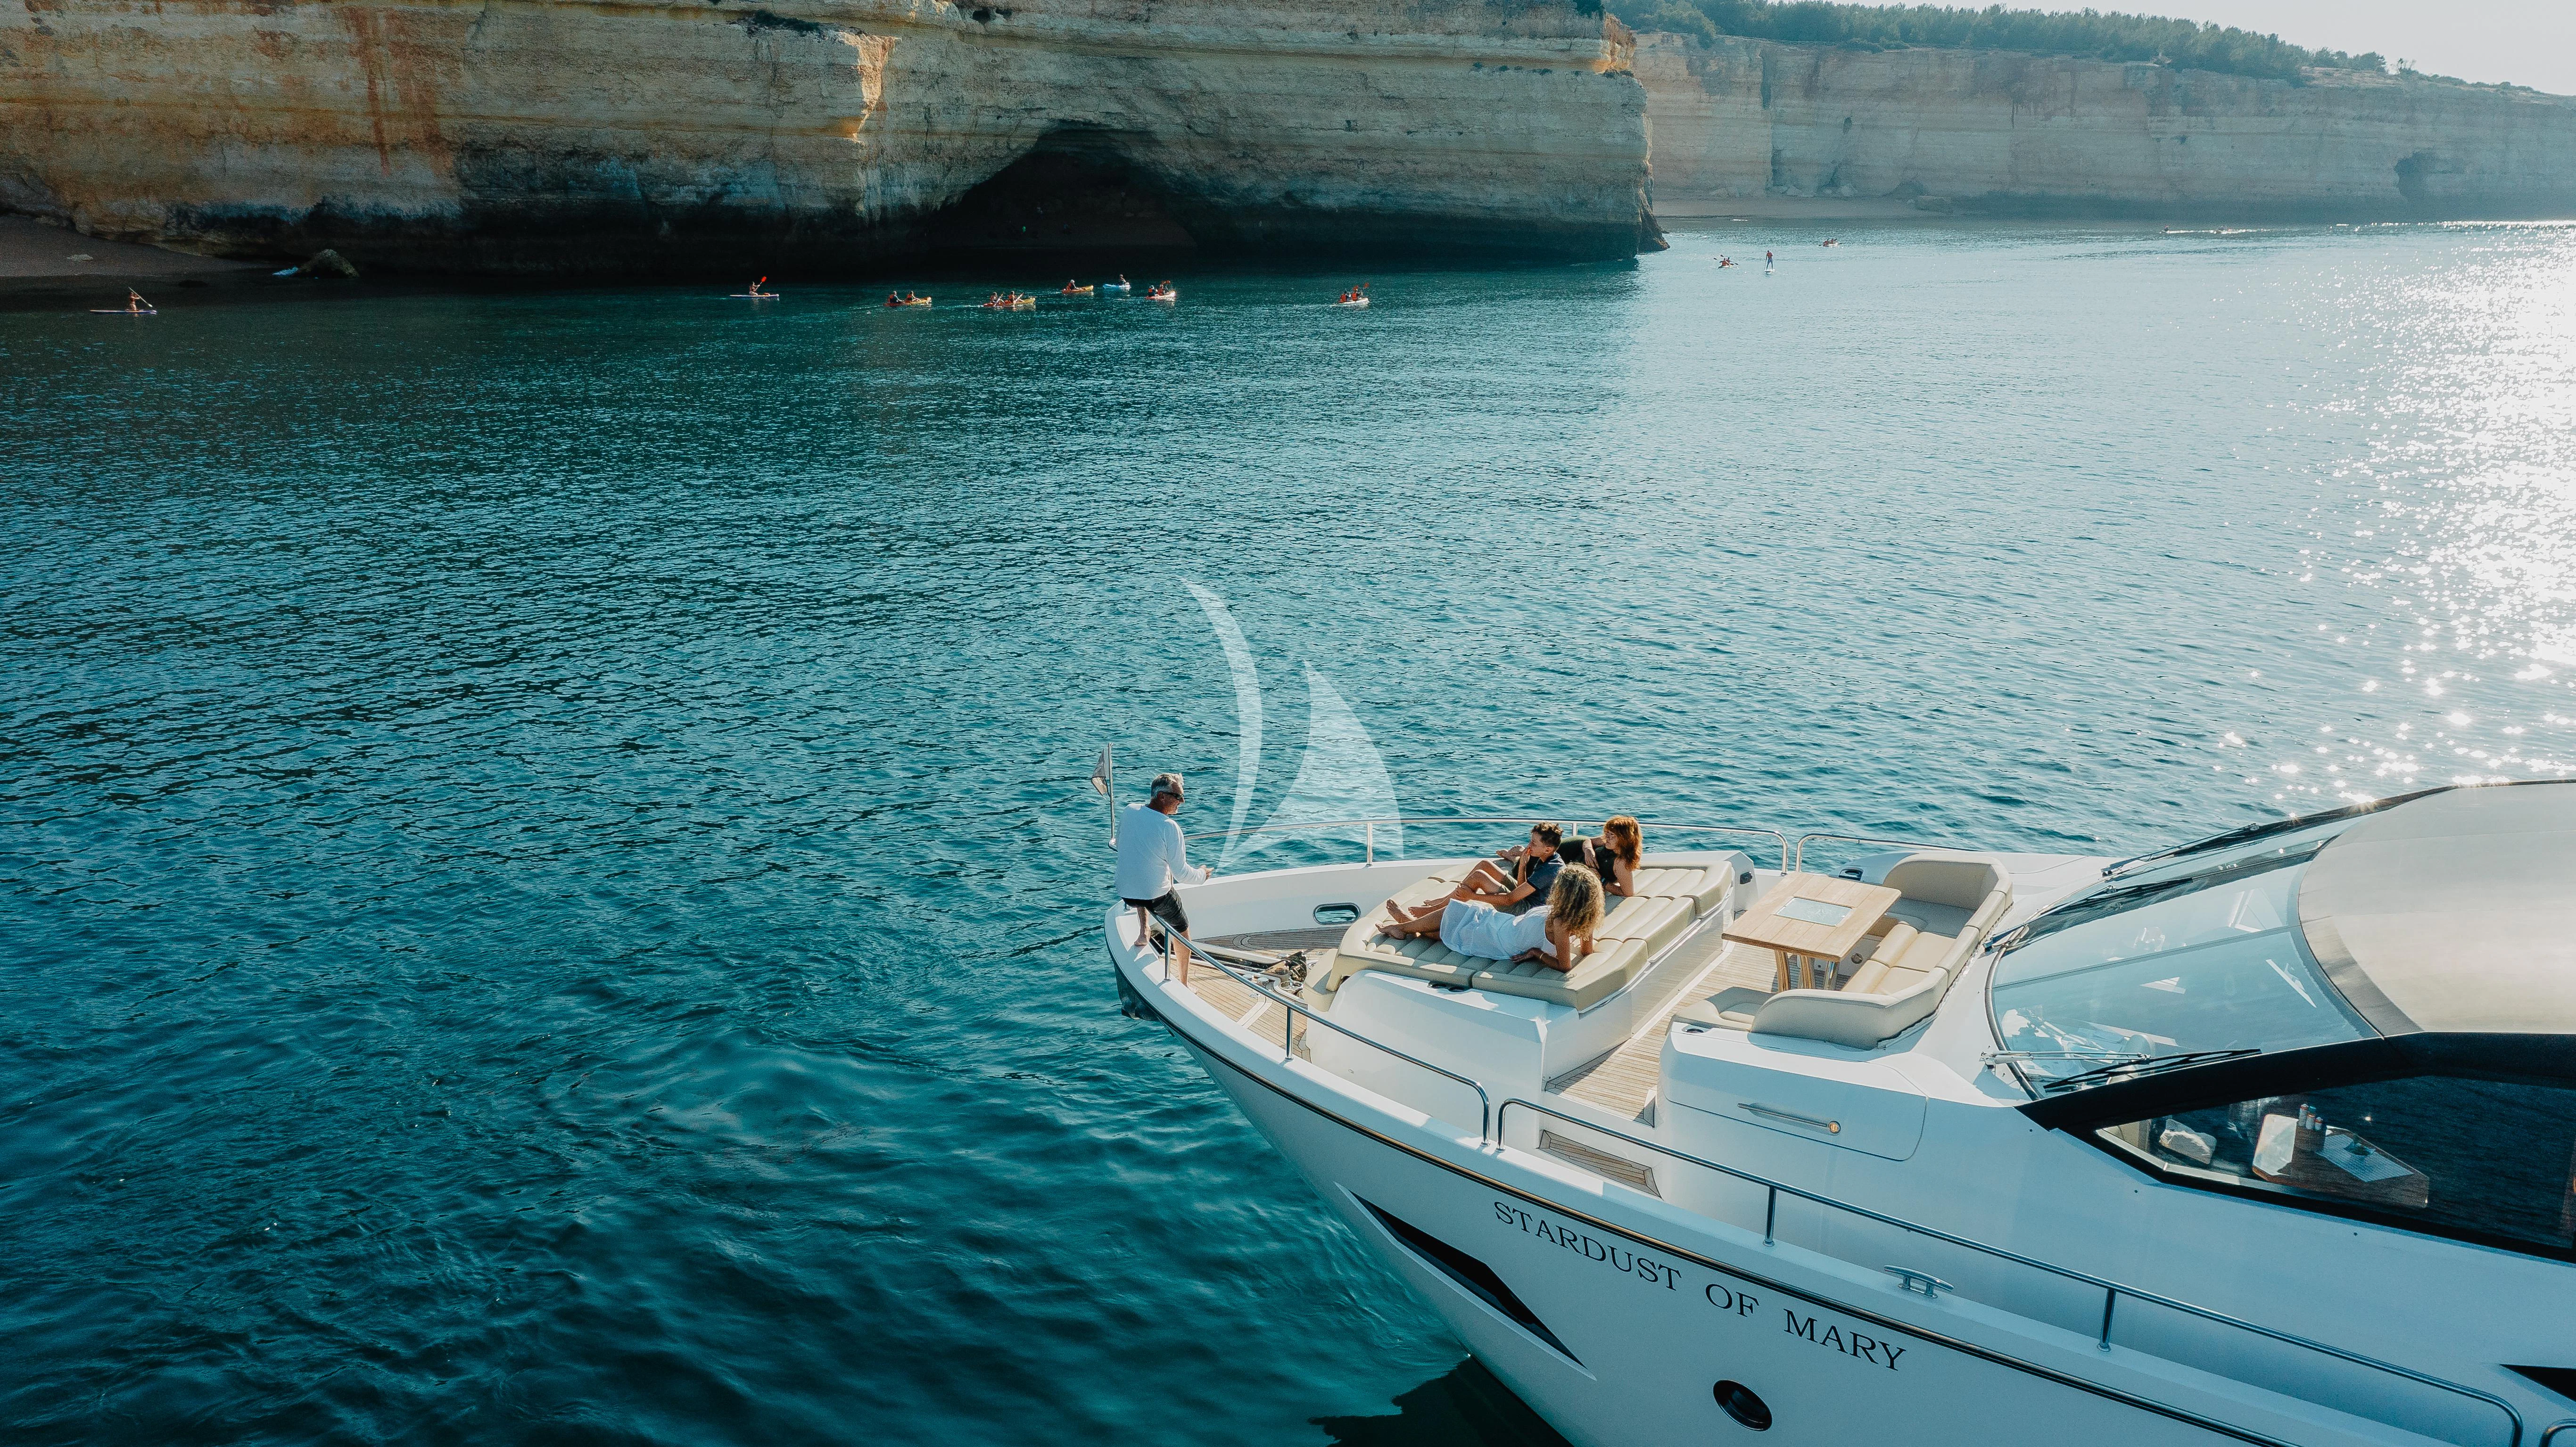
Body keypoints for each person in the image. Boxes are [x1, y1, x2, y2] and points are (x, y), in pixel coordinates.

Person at [1385, 865, 1605, 974]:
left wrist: (1537, 953)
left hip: (1502, 940)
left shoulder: (1561, 923)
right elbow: (1587, 950)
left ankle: (1402, 927)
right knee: (1456, 921)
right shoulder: (1582, 917)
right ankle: (1407, 925)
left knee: (1455, 914)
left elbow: (1565, 966)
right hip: (1504, 926)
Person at [1380, 824, 1565, 940]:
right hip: (1526, 899)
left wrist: (1472, 896)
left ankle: (1414, 922)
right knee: (1485, 865)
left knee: (1478, 880)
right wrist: (1523, 865)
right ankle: (1437, 908)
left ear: (1548, 849)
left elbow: (1511, 900)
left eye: (1533, 843)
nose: (1529, 845)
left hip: (1527, 911)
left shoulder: (1549, 870)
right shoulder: (1548, 859)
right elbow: (1521, 889)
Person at [1116, 772, 1214, 982]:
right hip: (1155, 897)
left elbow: (1123, 841)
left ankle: (1144, 932)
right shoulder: (1169, 827)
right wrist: (1202, 875)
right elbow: (1182, 874)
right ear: (1162, 797)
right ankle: (1185, 982)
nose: (1182, 801)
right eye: (1178, 796)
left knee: (1146, 873)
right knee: (1183, 930)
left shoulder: (1130, 810)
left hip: (1126, 893)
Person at [1557, 815, 1643, 897]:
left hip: (1572, 876)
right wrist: (1588, 850)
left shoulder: (1621, 862)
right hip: (1571, 858)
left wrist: (1602, 880)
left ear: (1625, 839)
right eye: (1607, 833)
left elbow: (1628, 893)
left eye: (1612, 835)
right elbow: (1588, 840)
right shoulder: (1609, 841)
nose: (1607, 837)